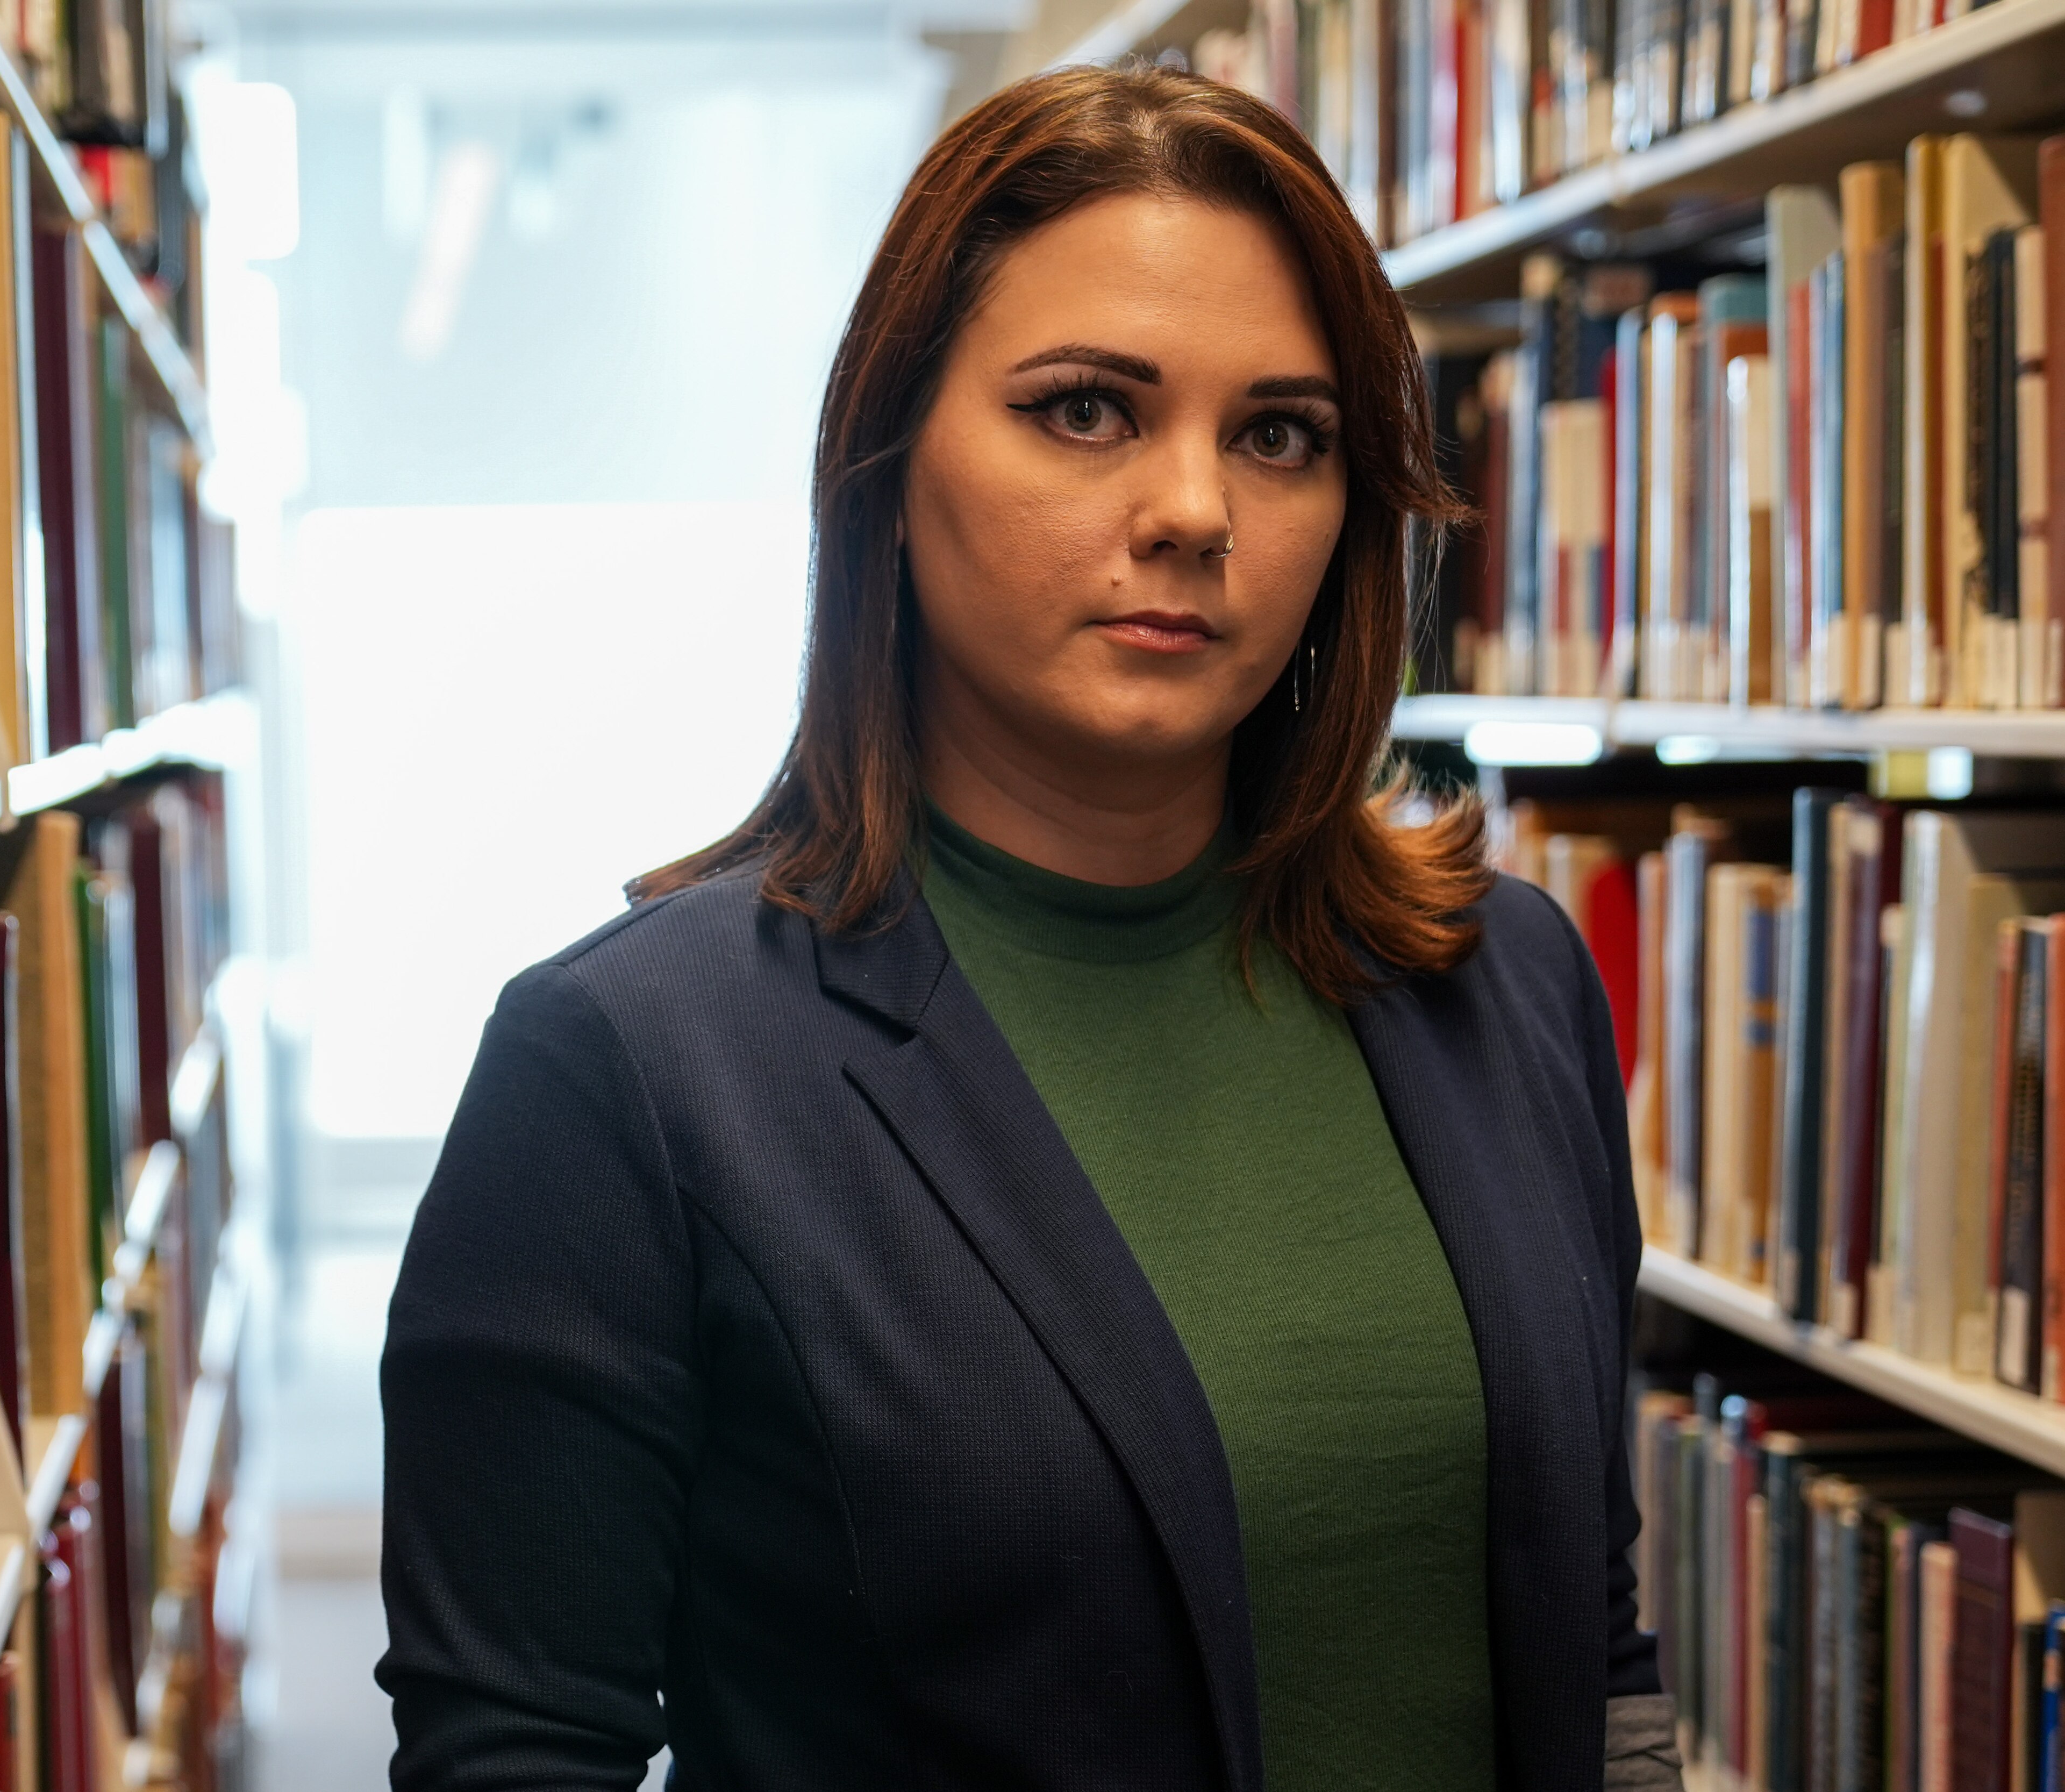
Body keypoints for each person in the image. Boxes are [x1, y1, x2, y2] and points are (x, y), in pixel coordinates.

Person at [376, 61, 1679, 1792]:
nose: (1196, 511)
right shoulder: (628, 1073)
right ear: (889, 457)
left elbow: (1591, 1651)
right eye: (1086, 410)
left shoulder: (1504, 982)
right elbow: (521, 1756)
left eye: (1280, 434)